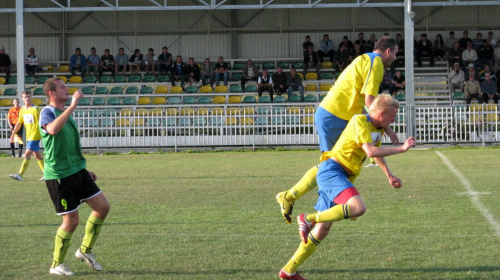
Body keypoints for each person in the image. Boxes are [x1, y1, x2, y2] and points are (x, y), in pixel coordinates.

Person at [278, 94, 415, 280]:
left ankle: (288, 270)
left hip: (342, 175)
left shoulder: (378, 128)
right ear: (381, 114)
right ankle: (308, 218)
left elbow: (376, 154)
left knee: (324, 227)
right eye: (392, 116)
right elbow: (371, 151)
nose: (394, 120)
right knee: (358, 208)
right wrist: (402, 149)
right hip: (333, 171)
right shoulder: (360, 121)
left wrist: (389, 175)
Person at [276, 36, 400, 225]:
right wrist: (388, 128)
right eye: (396, 53)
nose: (395, 58)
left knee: (342, 162)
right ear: (388, 51)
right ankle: (310, 207)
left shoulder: (364, 59)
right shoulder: (376, 64)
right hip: (335, 116)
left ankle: (306, 202)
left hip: (336, 115)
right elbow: (370, 102)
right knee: (333, 165)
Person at [40, 77, 110, 276]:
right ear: (52, 93)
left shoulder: (64, 113)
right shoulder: (47, 112)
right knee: (71, 221)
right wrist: (71, 107)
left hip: (77, 171)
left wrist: (83, 170)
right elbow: (52, 130)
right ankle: (56, 264)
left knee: (102, 207)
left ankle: (85, 251)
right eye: (62, 87)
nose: (67, 89)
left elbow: (68, 146)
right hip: (59, 176)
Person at [9, 91, 44, 181]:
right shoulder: (22, 109)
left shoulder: (36, 108)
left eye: (28, 96)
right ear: (22, 98)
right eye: (25, 97)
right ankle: (47, 174)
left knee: (27, 153)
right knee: (37, 155)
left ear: (31, 97)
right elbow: (19, 123)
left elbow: (43, 121)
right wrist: (13, 134)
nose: (27, 98)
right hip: (29, 136)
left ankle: (20, 175)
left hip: (36, 134)